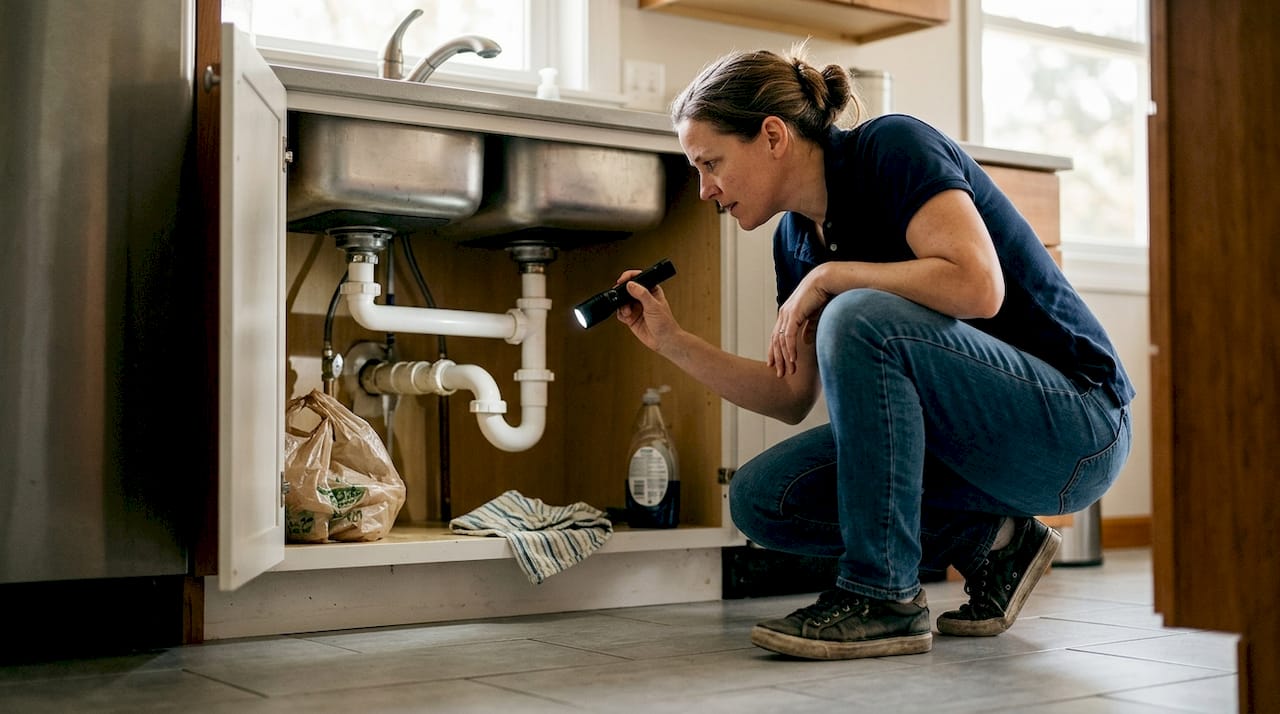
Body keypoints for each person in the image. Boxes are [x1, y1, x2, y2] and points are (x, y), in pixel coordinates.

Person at [614, 45, 1133, 661]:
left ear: (772, 135)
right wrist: (671, 340)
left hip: (1078, 425)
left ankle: (882, 598)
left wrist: (834, 278)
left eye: (711, 163)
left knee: (861, 314)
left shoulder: (892, 149)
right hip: (978, 453)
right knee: (763, 496)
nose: (704, 190)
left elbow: (979, 286)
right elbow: (788, 396)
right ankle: (995, 544)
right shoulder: (795, 237)